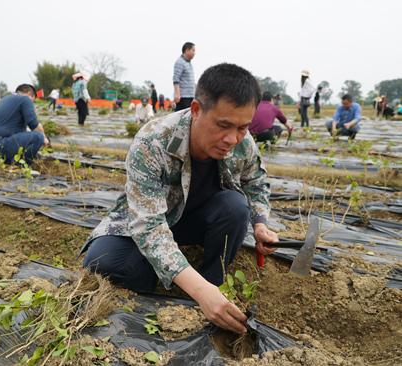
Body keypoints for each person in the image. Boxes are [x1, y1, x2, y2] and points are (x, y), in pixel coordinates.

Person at [82, 63, 278, 335]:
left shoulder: (242, 142)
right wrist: (196, 289)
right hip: (152, 220)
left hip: (195, 219)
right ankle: (183, 283)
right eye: (223, 126)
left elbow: (255, 182)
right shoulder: (154, 141)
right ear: (197, 110)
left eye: (243, 127)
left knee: (236, 208)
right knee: (106, 261)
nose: (232, 138)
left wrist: (260, 224)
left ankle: (212, 283)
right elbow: (148, 226)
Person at [0, 84, 49, 164]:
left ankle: (10, 160)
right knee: (38, 136)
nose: (32, 105)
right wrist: (44, 138)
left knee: (29, 136)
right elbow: (34, 124)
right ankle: (23, 165)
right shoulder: (25, 99)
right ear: (29, 94)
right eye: (33, 101)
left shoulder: (5, 99)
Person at [173, 42, 196, 111]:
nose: (194, 53)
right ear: (187, 50)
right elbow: (176, 79)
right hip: (183, 97)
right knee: (182, 118)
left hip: (190, 96)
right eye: (193, 50)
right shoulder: (180, 62)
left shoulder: (188, 63)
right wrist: (177, 94)